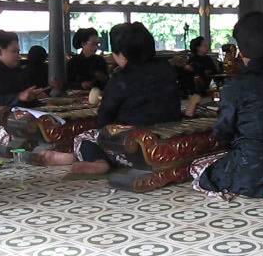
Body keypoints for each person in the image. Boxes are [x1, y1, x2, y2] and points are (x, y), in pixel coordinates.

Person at [39, 22, 181, 174]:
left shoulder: (121, 78)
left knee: (86, 137)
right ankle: (74, 157)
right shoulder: (167, 69)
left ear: (122, 54)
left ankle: (97, 161)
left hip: (132, 147)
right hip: (167, 139)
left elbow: (104, 119)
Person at [192, 12, 263, 198]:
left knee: (198, 169)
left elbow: (223, 132)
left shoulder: (236, 86)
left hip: (249, 175)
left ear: (242, 50)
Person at [0, 31, 46, 144]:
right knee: (28, 141)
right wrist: (19, 96)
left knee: (48, 131)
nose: (18, 56)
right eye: (14, 52)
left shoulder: (19, 72)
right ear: (0, 51)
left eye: (19, 52)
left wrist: (34, 97)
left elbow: (24, 101)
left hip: (18, 123)